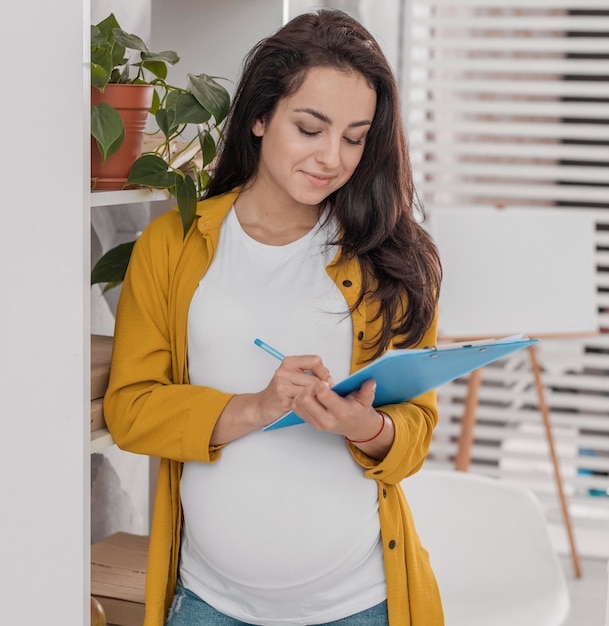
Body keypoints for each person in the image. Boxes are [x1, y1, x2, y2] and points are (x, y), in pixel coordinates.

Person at [104, 9, 444, 626]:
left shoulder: (393, 258)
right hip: (209, 603)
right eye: (310, 128)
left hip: (359, 603)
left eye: (354, 136)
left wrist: (363, 427)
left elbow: (415, 433)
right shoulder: (173, 247)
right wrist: (257, 408)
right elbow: (131, 411)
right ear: (259, 117)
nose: (332, 157)